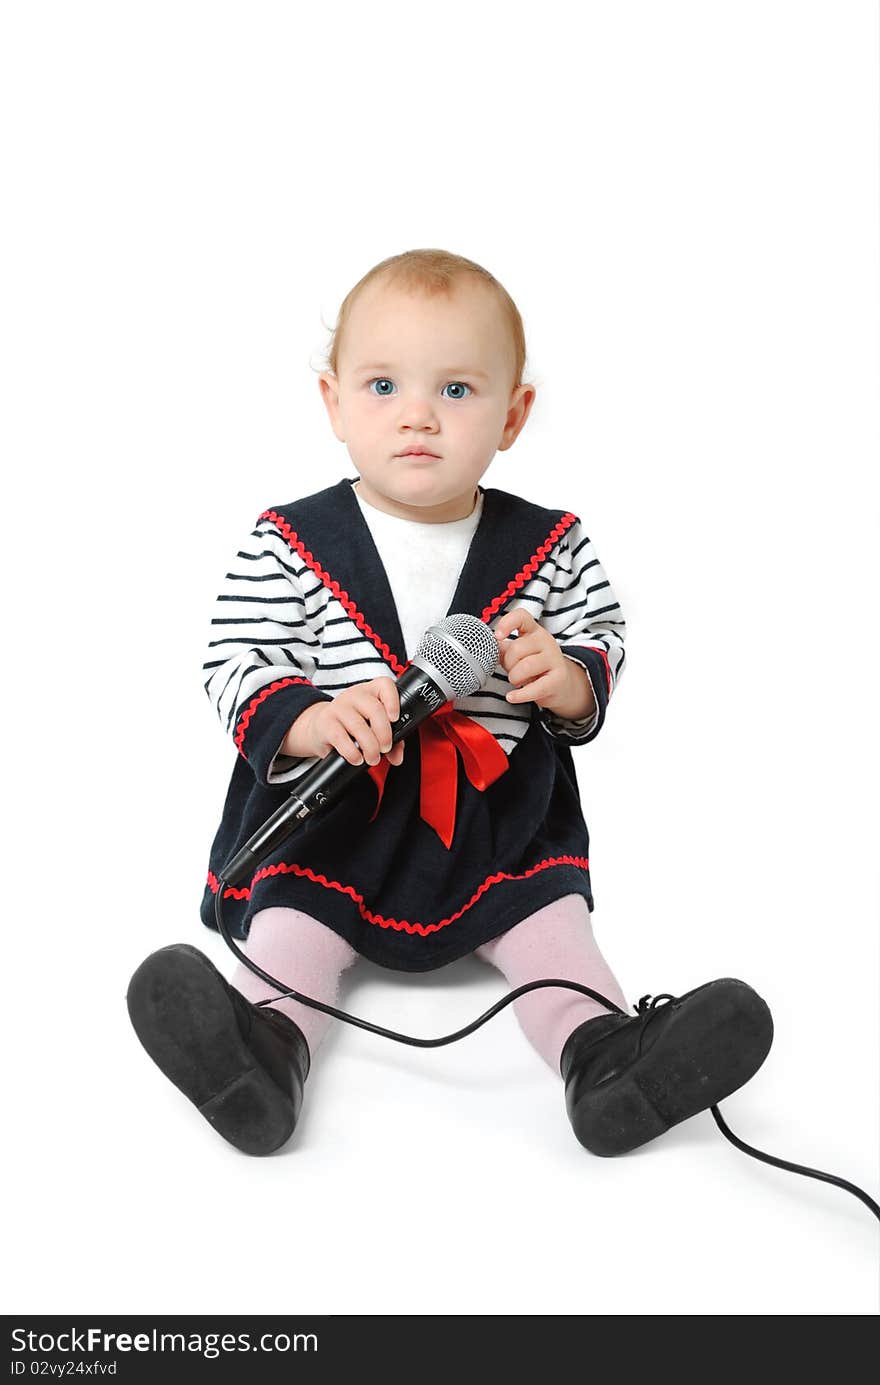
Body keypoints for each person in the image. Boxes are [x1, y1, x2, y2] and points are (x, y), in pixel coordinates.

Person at [127, 248, 773, 1157]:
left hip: (495, 819)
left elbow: (603, 634)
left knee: (552, 923)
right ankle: (264, 1052)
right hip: (338, 810)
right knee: (294, 917)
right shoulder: (289, 540)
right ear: (334, 403)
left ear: (513, 415)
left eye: (458, 390)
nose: (419, 415)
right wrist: (309, 718)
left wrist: (571, 677)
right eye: (383, 384)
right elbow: (237, 656)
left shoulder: (549, 544)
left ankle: (603, 1059)